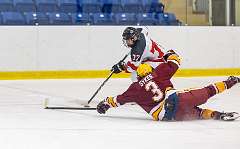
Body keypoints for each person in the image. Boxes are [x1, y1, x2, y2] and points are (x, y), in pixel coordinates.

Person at [97, 52, 239, 121]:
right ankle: (230, 82)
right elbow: (175, 61)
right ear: (150, 70)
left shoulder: (134, 88)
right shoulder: (158, 72)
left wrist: (105, 104)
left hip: (166, 116)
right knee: (208, 91)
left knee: (196, 113)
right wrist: (169, 54)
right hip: (175, 100)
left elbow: (118, 100)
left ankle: (216, 115)